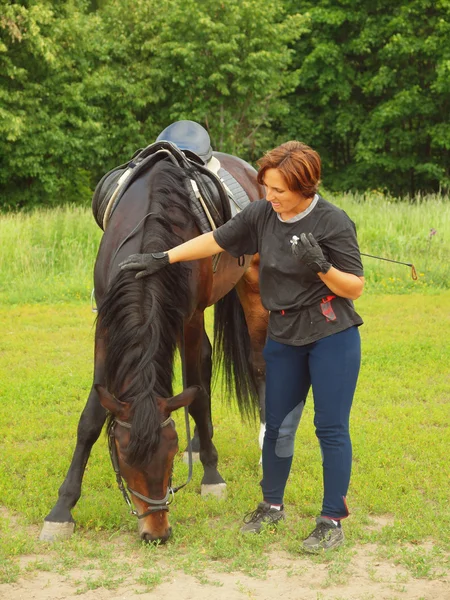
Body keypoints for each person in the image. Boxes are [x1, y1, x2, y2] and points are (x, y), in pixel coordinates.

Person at [119, 141, 364, 553]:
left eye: (280, 191)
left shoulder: (333, 222)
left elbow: (355, 287)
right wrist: (164, 257)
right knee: (277, 426)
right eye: (267, 188)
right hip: (283, 335)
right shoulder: (261, 214)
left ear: (306, 186)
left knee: (330, 429)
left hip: (330, 336)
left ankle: (331, 519)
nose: (271, 198)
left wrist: (321, 265)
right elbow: (216, 240)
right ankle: (271, 505)